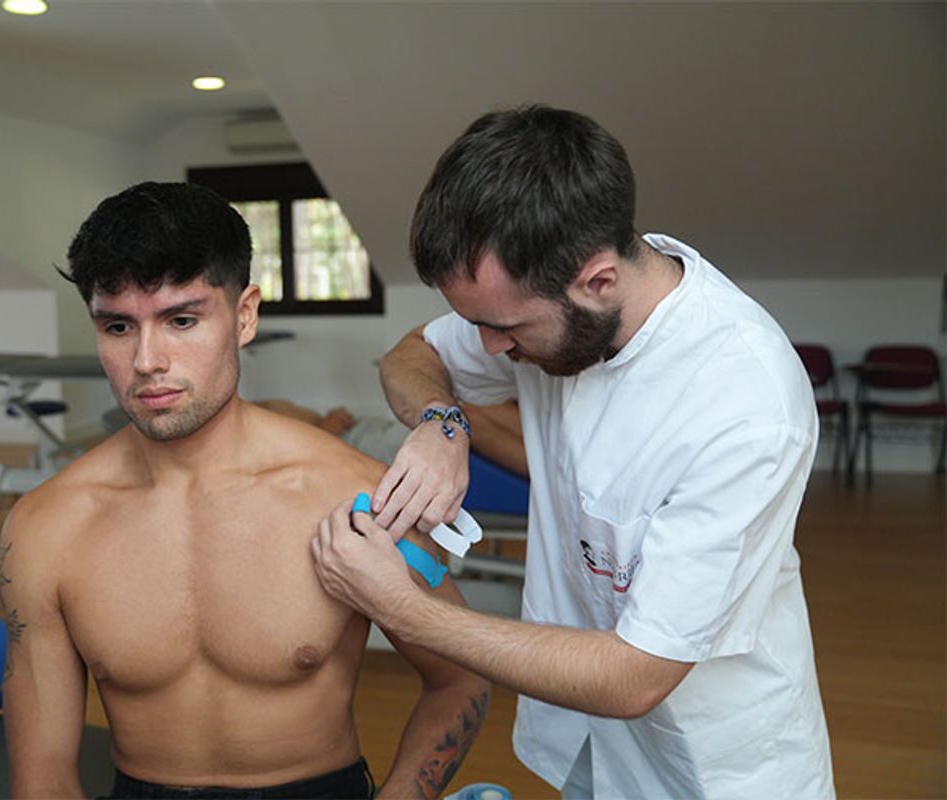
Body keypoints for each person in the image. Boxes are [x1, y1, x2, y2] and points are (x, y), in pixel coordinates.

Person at [311, 105, 835, 798]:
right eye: (477, 325)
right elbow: (411, 355)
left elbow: (634, 675)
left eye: (503, 329)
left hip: (716, 762)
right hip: (586, 740)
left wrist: (404, 609)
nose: (490, 349)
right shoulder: (549, 305)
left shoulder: (745, 408)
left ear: (598, 282)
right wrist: (444, 424)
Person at [0, 182, 490, 799]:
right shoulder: (47, 526)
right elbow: (42, 780)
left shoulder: (356, 496)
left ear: (245, 314)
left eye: (181, 320)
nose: (148, 360)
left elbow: (459, 678)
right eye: (119, 326)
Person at [255, 399, 528, 478]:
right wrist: (330, 425)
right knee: (464, 418)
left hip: (369, 429)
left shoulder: (260, 409)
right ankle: (542, 468)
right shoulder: (258, 425)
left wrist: (333, 416)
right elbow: (299, 457)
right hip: (364, 448)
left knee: (468, 408)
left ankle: (546, 451)